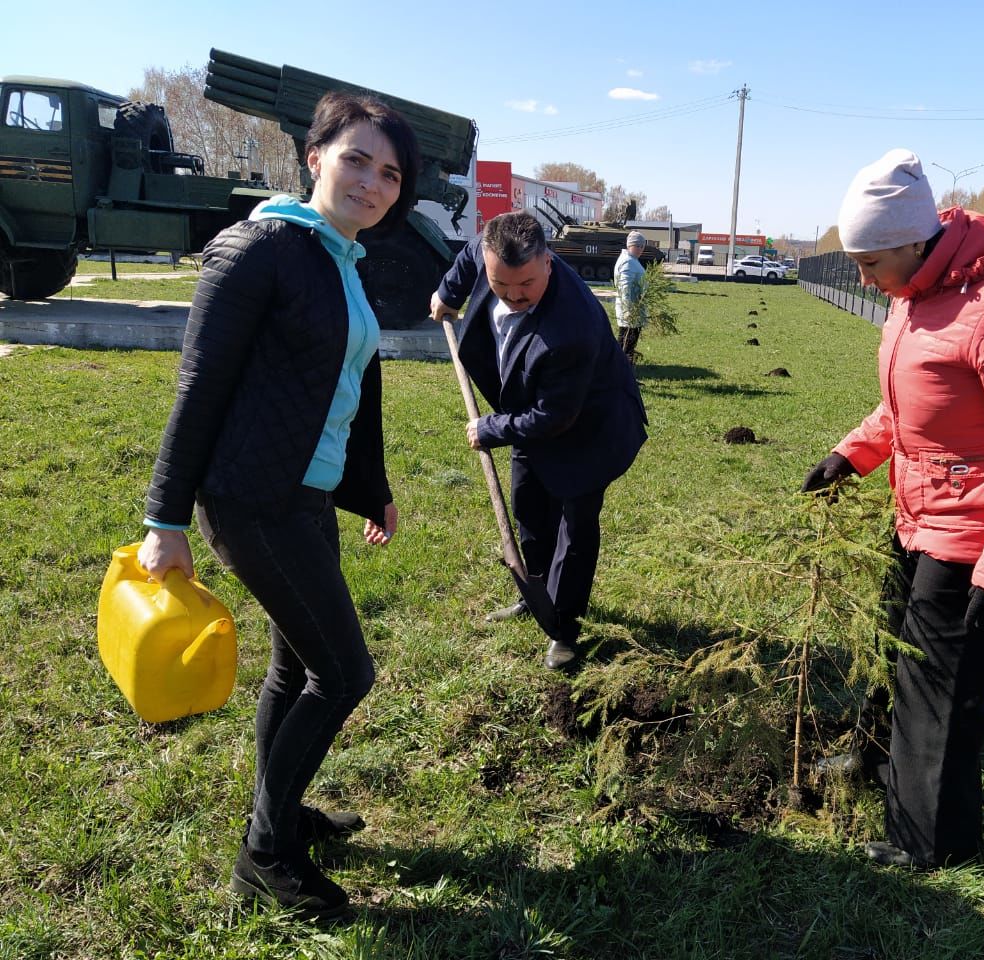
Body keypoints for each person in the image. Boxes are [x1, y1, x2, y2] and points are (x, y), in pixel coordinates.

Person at [136, 92, 420, 920]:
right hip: (253, 499)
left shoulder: (339, 259)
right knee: (344, 672)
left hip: (307, 494)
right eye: (357, 159)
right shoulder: (259, 248)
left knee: (297, 665)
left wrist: (370, 490)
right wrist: (166, 518)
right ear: (315, 156)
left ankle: (281, 814)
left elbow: (351, 387)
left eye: (390, 172)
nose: (372, 181)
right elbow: (201, 382)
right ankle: (266, 857)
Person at [801, 148, 984, 870]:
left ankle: (930, 843)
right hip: (919, 513)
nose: (864, 278)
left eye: (869, 263)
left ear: (910, 242)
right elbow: (916, 409)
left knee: (940, 687)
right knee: (895, 652)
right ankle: (880, 770)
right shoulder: (918, 296)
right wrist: (853, 454)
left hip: (977, 534)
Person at [430, 211, 647, 670]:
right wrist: (448, 293)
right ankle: (536, 594)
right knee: (529, 505)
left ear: (548, 262)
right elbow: (472, 253)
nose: (512, 297)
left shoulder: (571, 328)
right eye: (501, 285)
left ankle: (565, 628)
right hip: (532, 410)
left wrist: (490, 428)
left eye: (525, 284)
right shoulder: (497, 254)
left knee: (574, 523)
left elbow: (554, 417)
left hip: (591, 427)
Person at [613, 231, 648, 361]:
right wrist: (629, 310)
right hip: (630, 311)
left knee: (627, 343)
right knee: (626, 343)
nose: (640, 249)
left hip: (634, 310)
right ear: (629, 245)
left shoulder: (632, 260)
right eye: (637, 245)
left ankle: (623, 372)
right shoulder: (628, 262)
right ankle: (622, 372)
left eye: (642, 246)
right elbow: (625, 288)